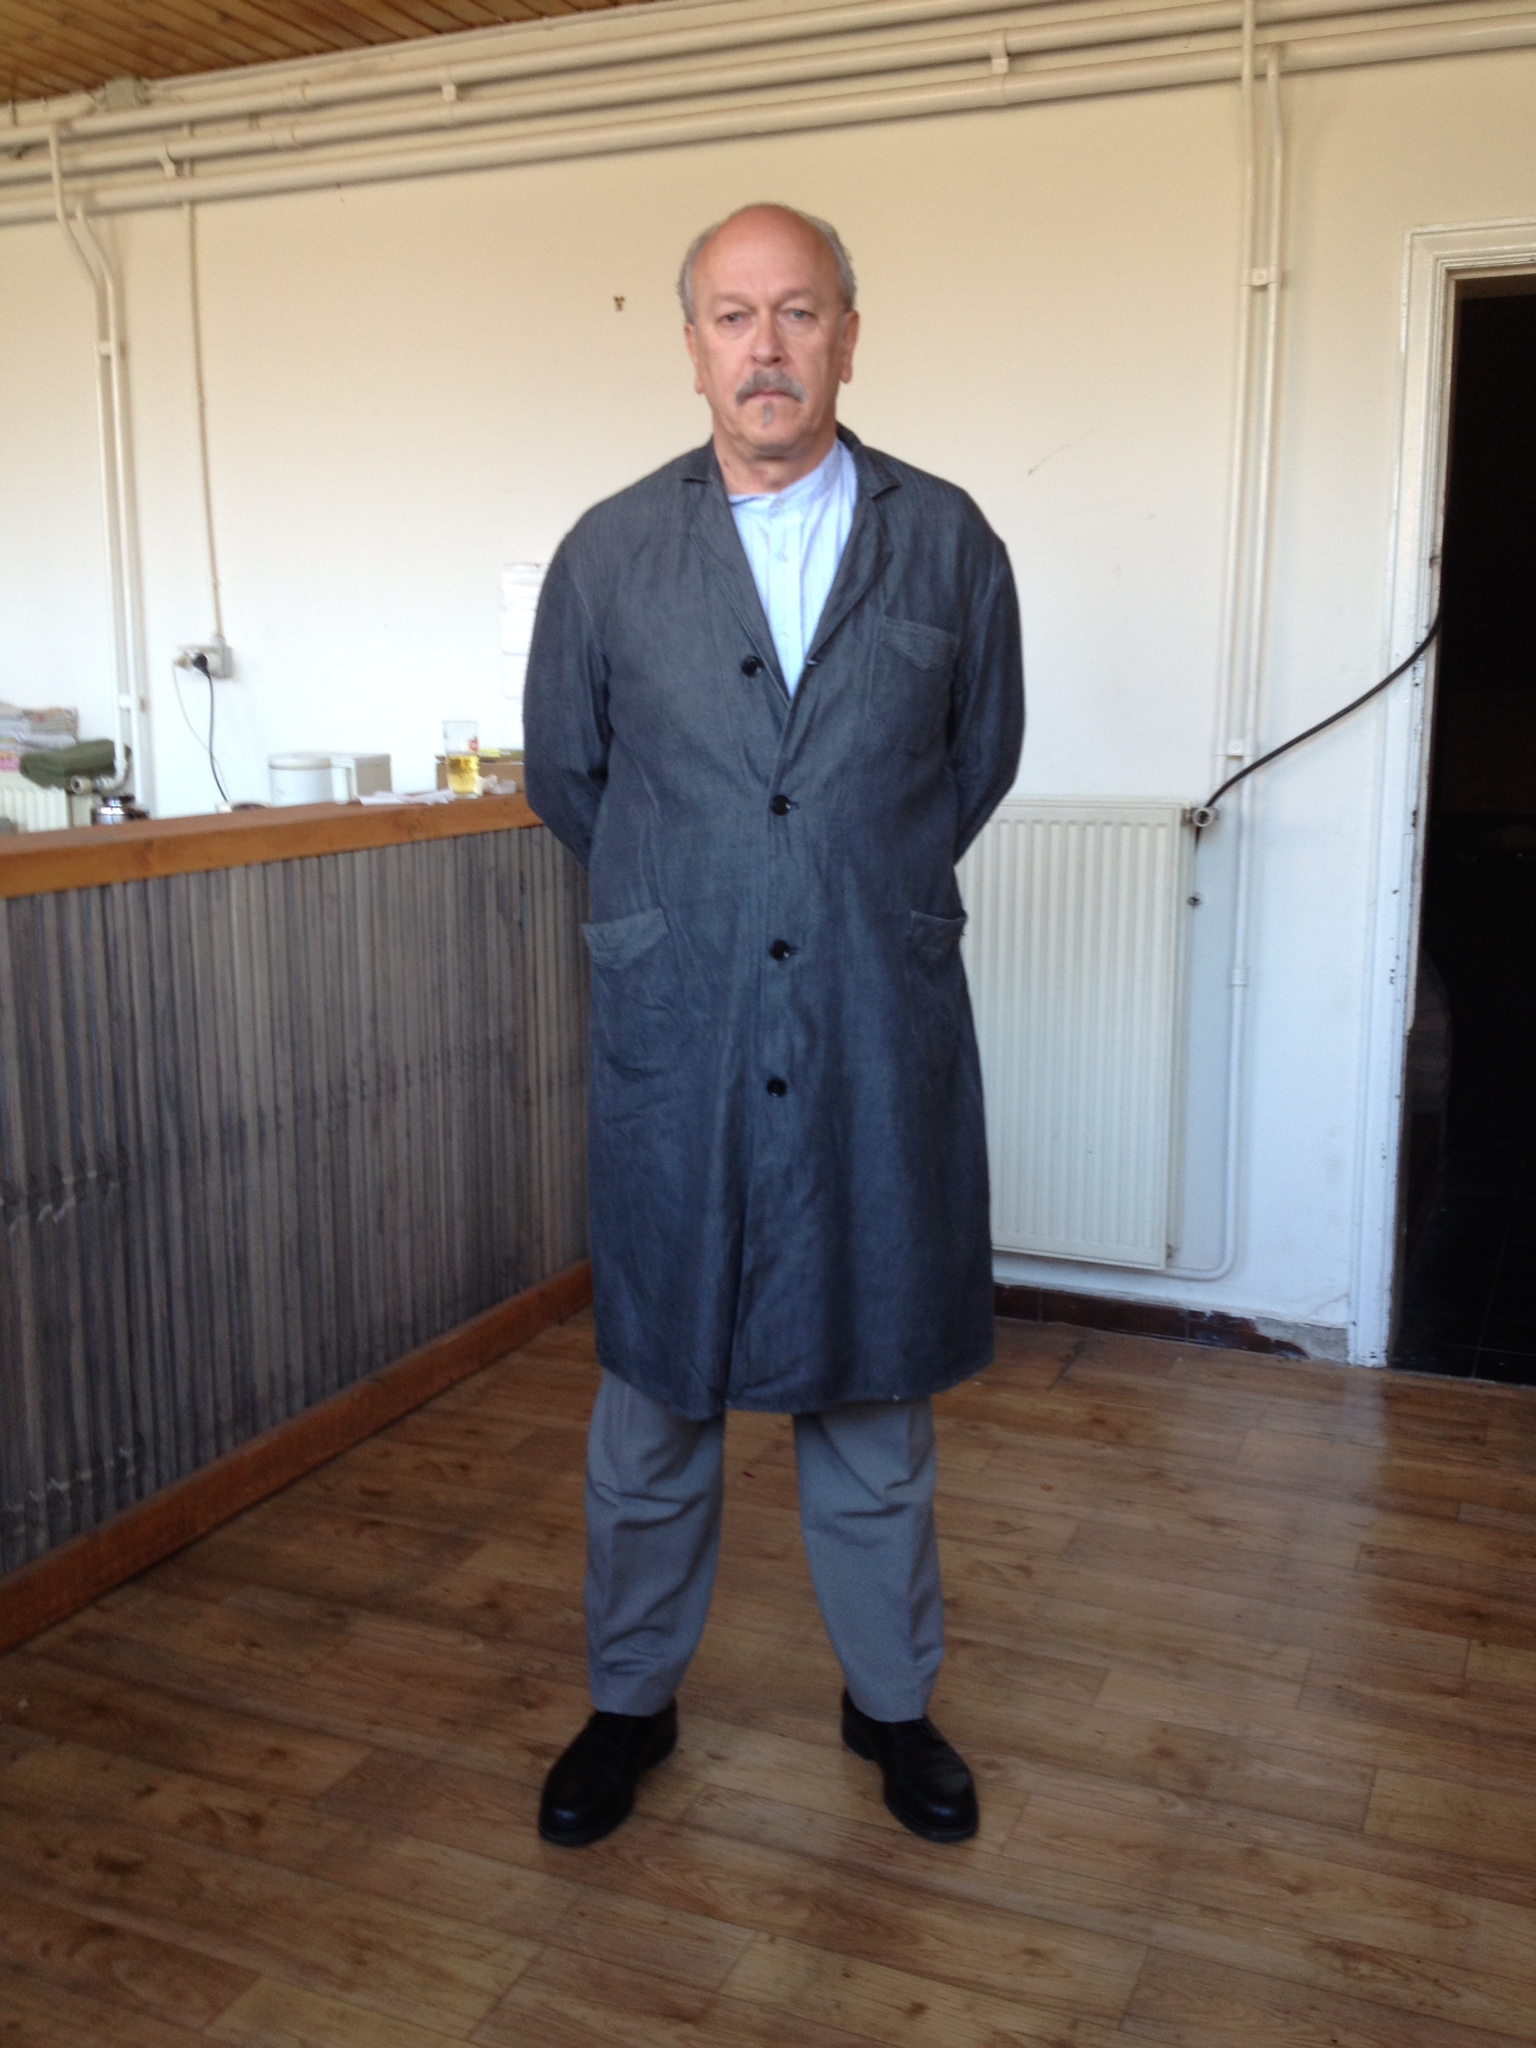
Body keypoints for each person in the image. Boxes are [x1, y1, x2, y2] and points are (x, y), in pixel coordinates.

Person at [523, 202, 1023, 1848]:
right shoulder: (608, 553)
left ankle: (892, 1703)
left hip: (874, 1021)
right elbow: (570, 775)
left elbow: (974, 764)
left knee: (873, 1395)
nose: (765, 346)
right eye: (733, 316)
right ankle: (630, 1701)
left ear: (848, 337)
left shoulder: (948, 542)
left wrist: (832, 880)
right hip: (680, 1028)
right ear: (691, 347)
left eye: (798, 311)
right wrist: (709, 901)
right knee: (654, 1397)